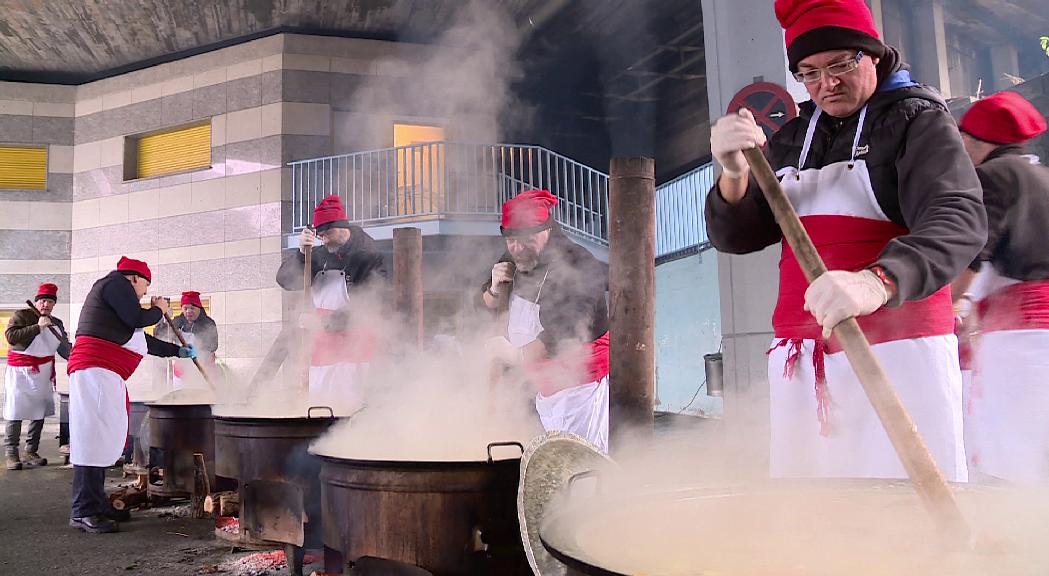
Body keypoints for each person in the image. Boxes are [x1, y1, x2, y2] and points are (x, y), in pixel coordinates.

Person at [704, 0, 985, 480]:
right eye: (809, 72)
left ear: (871, 55)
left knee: (899, 505)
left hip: (898, 351)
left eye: (840, 65)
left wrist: (876, 282)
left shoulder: (917, 120)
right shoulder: (793, 138)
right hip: (802, 353)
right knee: (812, 513)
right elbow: (740, 236)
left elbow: (957, 219)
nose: (826, 84)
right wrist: (734, 174)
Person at [953, 91, 1049, 484]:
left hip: (1019, 333)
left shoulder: (994, 176)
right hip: (1035, 328)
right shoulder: (1042, 175)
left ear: (978, 141)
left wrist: (953, 298)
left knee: (1009, 442)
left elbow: (976, 249)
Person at [67, 257, 196, 533]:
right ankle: (83, 510)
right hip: (96, 371)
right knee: (92, 440)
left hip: (102, 372)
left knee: (99, 439)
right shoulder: (115, 284)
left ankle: (96, 504)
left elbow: (142, 339)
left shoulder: (117, 298)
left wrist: (177, 352)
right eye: (146, 285)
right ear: (135, 278)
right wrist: (159, 310)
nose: (146, 292)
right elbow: (138, 319)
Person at [481, 190, 610, 452]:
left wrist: (515, 355)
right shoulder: (514, 258)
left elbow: (567, 333)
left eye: (525, 240)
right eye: (510, 240)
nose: (516, 248)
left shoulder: (579, 263)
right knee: (544, 461)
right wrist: (494, 288)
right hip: (540, 383)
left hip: (579, 388)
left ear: (545, 230)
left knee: (580, 460)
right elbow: (485, 300)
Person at [276, 195, 385, 414]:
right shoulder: (319, 254)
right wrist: (300, 254)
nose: (324, 240)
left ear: (341, 227)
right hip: (323, 349)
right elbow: (285, 281)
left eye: (327, 234)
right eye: (320, 235)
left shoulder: (368, 254)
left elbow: (369, 304)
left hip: (356, 348)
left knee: (350, 406)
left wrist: (323, 323)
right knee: (320, 405)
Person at [4, 283, 71, 470]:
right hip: (20, 372)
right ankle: (11, 453)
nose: (46, 305)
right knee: (15, 411)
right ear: (37, 301)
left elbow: (64, 347)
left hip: (42, 373)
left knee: (39, 412)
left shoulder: (56, 323)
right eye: (43, 300)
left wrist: (79, 359)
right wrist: (37, 327)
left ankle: (30, 450)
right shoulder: (22, 315)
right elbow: (11, 337)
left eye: (50, 301)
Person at [154, 290, 219, 390]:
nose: (189, 311)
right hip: (181, 371)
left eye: (192, 308)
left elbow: (213, 345)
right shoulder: (177, 322)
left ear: (199, 309)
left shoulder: (208, 323)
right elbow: (160, 335)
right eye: (185, 308)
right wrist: (161, 319)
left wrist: (199, 351)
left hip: (203, 369)